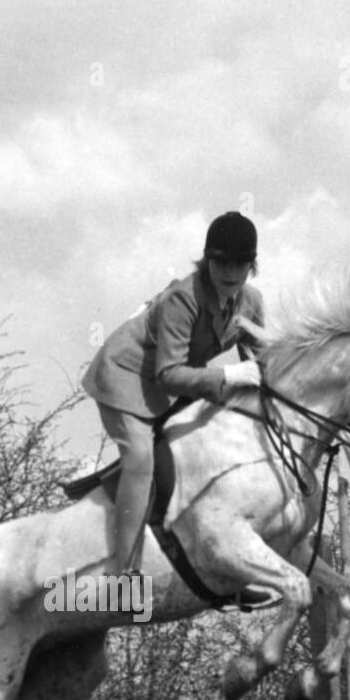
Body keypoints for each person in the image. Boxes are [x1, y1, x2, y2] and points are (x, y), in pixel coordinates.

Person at [82, 211, 265, 578]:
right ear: (207, 260)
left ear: (252, 266)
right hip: (126, 376)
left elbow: (260, 371)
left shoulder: (251, 301)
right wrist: (229, 374)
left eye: (240, 265)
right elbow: (168, 374)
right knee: (141, 459)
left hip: (175, 378)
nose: (230, 274)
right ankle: (125, 573)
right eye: (221, 263)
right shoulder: (183, 299)